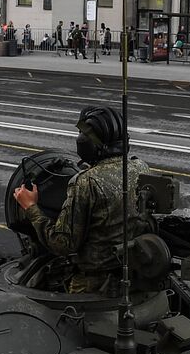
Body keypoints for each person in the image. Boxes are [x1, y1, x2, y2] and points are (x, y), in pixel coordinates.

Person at [12, 106, 149, 295]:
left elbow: (62, 243)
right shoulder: (140, 168)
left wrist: (30, 206)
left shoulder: (86, 182)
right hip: (131, 277)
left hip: (92, 285)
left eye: (81, 134)